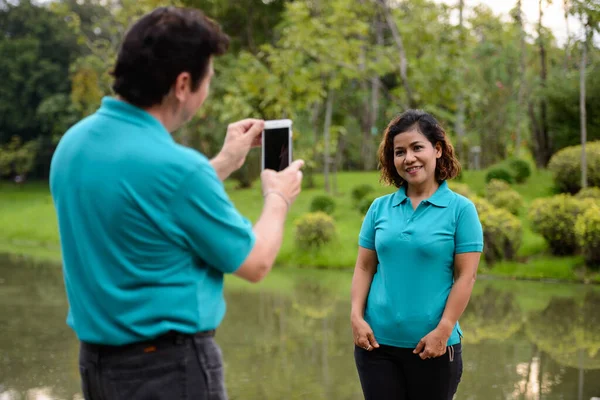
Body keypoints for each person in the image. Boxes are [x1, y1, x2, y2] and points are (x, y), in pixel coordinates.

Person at [49, 7, 303, 400]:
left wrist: (223, 163)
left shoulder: (74, 144)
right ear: (183, 84)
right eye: (208, 80)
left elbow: (144, 203)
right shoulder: (178, 169)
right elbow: (255, 263)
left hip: (97, 365)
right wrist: (278, 196)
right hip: (169, 371)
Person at [350, 109, 483, 400]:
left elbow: (466, 276)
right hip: (376, 348)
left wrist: (444, 330)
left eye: (416, 148)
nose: (408, 158)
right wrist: (356, 317)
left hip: (433, 347)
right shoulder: (379, 208)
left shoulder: (461, 210)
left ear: (437, 150)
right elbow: (363, 268)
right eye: (399, 152)